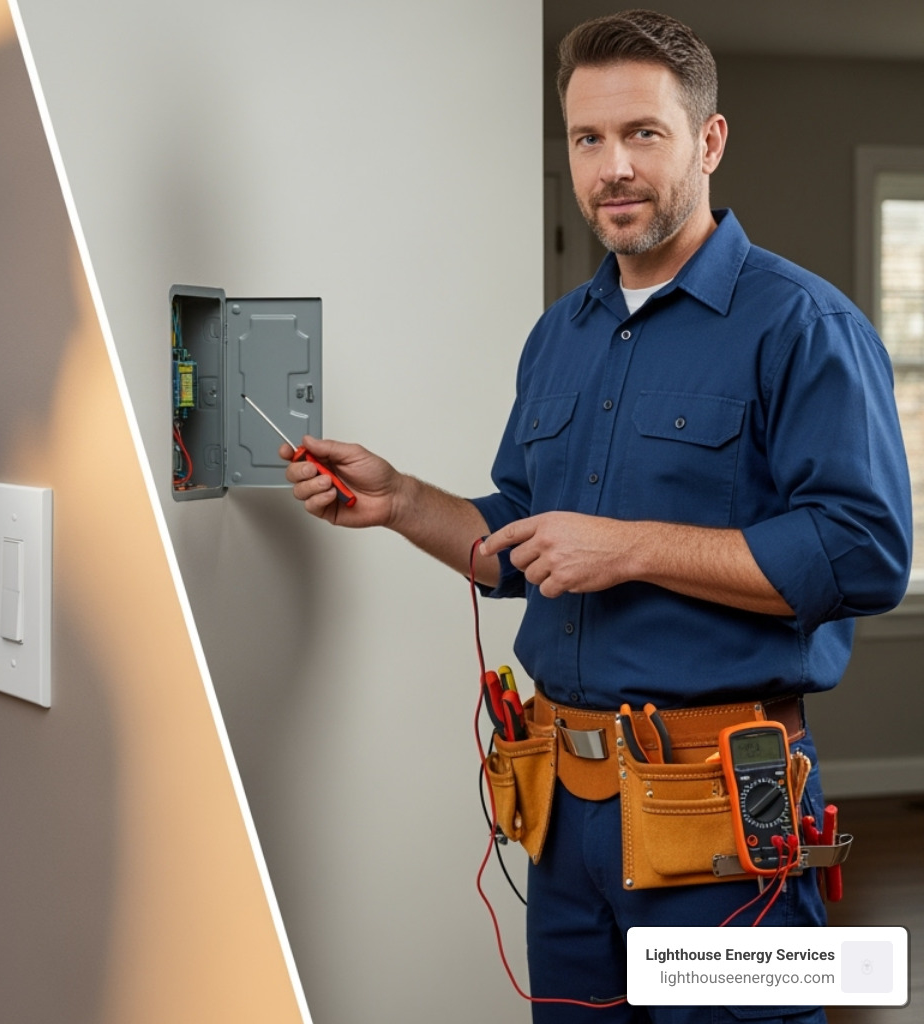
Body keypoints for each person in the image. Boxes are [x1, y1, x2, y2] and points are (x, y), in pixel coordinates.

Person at [285, 10, 911, 1024]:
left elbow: (867, 553)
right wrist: (401, 501)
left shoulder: (803, 327)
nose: (612, 166)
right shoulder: (560, 337)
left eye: (642, 134)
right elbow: (522, 543)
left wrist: (629, 550)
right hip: (564, 814)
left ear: (707, 142)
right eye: (587, 138)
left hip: (723, 815)